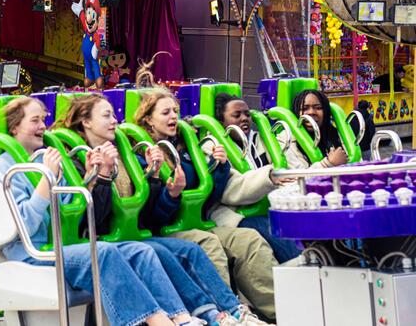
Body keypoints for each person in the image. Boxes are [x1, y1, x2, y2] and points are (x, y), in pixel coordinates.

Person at [56, 94, 271, 325]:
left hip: (139, 233)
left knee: (191, 250)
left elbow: (147, 213)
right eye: (107, 116)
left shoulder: (129, 154)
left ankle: (229, 312)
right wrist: (103, 178)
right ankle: (199, 317)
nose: (115, 120)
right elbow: (94, 219)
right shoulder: (79, 160)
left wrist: (157, 178)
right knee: (163, 250)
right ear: (86, 122)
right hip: (108, 239)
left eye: (175, 111)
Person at [0, 97, 198, 326]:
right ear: (14, 127)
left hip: (64, 245)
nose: (42, 126)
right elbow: (24, 227)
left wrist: (90, 180)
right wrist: (46, 183)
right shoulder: (3, 168)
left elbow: (75, 215)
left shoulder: (47, 160)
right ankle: (160, 322)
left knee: (140, 251)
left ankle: (181, 318)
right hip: (32, 252)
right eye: (35, 120)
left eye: (43, 120)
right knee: (104, 253)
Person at [133, 89, 279, 321]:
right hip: (165, 230)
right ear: (149, 119)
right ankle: (226, 315)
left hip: (196, 223)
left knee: (248, 239)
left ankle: (279, 311)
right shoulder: (141, 154)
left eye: (175, 111)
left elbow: (209, 197)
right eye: (165, 112)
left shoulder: (185, 146)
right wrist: (170, 194)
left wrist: (219, 168)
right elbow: (150, 217)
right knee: (208, 244)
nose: (173, 116)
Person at [212, 93, 302, 263]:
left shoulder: (261, 140)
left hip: (269, 207)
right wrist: (268, 177)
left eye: (247, 114)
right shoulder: (214, 148)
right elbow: (230, 191)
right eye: (236, 115)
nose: (244, 118)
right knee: (279, 236)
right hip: (236, 213)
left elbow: (289, 168)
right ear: (221, 122)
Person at [284, 89, 348, 170]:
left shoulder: (338, 135)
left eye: (318, 108)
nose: (311, 112)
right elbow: (295, 176)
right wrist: (328, 164)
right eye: (304, 108)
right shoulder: (286, 140)